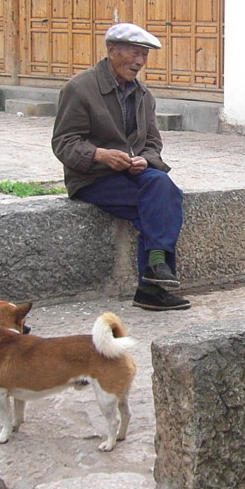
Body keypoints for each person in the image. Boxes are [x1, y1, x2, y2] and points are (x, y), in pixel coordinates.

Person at [52, 23, 190, 310]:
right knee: (158, 203)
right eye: (135, 53)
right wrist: (101, 155)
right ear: (112, 50)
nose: (140, 62)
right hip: (93, 178)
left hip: (131, 175)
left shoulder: (143, 95)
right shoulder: (80, 88)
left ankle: (154, 275)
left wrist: (144, 160)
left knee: (161, 185)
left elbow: (153, 143)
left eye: (145, 56)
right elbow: (63, 143)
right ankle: (152, 285)